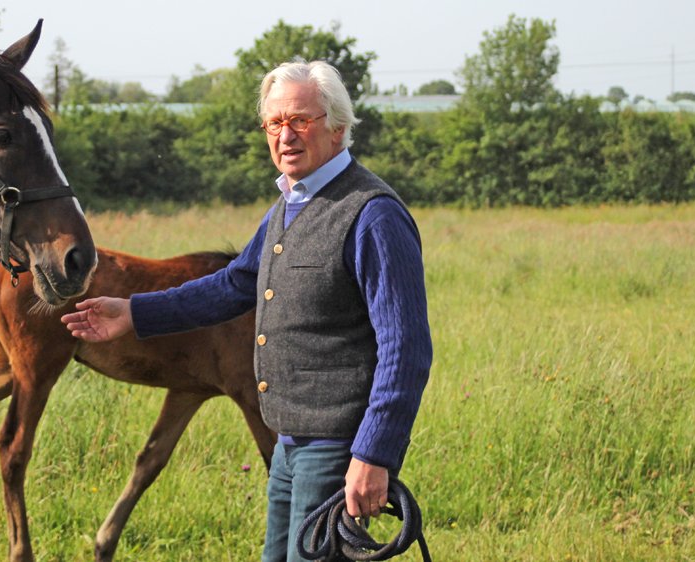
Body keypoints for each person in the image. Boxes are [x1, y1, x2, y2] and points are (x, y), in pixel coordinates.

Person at [61, 59, 432, 562]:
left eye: (300, 120)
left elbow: (406, 349)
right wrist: (135, 312)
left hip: (336, 448)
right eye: (274, 123)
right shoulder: (288, 205)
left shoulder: (373, 215)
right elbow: (235, 284)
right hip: (287, 447)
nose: (285, 135)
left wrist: (374, 454)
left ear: (338, 127)